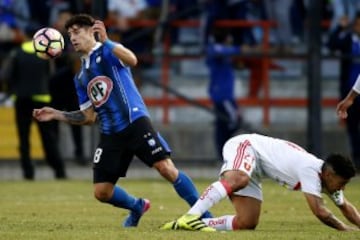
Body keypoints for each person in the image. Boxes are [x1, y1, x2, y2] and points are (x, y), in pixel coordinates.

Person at [32, 14, 212, 227]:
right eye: (70, 33)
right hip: (110, 133)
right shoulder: (80, 77)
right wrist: (56, 114)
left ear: (92, 30)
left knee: (166, 168)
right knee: (102, 192)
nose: (72, 37)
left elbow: (132, 60)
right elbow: (88, 117)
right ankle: (137, 206)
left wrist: (106, 40)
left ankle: (207, 217)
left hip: (134, 121)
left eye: (77, 31)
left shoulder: (108, 51)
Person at [161, 133, 360, 232]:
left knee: (247, 222)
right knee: (239, 178)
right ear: (329, 175)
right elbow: (320, 211)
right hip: (247, 146)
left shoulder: (325, 177)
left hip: (258, 167)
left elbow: (346, 207)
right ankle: (190, 216)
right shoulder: (311, 170)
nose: (342, 188)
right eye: (342, 183)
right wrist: (345, 230)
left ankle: (184, 225)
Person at [1, 27, 66, 180]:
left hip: (22, 99)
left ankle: (28, 173)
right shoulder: (44, 53)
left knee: (24, 138)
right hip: (42, 99)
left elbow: (5, 75)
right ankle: (59, 170)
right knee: (48, 138)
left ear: (24, 35)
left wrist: (13, 87)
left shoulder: (16, 53)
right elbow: (51, 73)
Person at [327, 14, 360, 170]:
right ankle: (357, 160)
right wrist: (339, 27)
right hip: (350, 92)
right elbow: (331, 44)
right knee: (353, 128)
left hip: (352, 94)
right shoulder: (348, 40)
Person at [205, 27, 243, 161]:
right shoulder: (215, 49)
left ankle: (223, 153)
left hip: (224, 94)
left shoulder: (222, 53)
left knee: (224, 123)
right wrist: (242, 49)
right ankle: (224, 152)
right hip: (222, 95)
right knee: (234, 121)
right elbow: (226, 51)